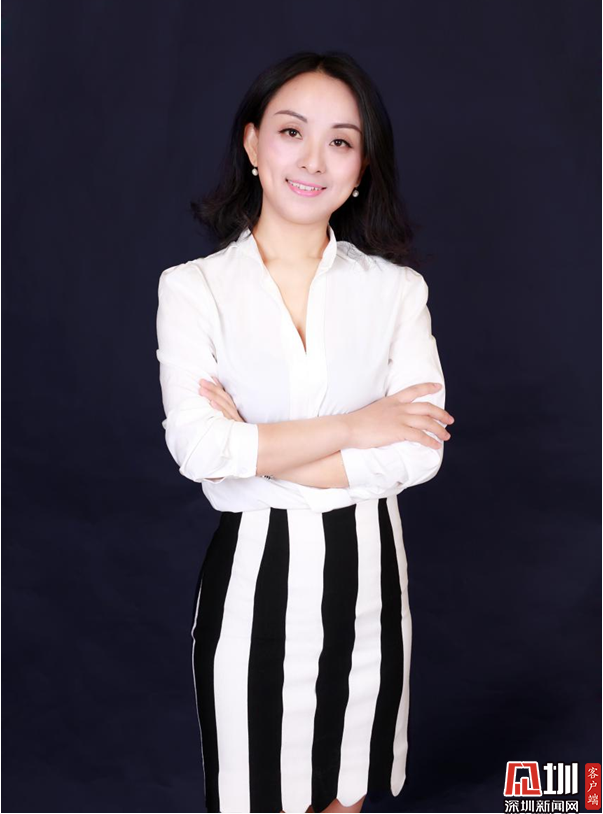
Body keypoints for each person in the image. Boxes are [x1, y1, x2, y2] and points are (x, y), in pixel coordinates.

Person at [156, 50, 454, 814]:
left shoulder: (396, 292)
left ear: (361, 167)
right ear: (252, 143)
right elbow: (201, 451)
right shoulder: (194, 290)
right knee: (255, 796)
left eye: (340, 141)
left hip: (370, 594)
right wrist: (356, 426)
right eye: (291, 132)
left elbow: (416, 455)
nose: (313, 160)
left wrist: (255, 450)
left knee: (346, 798)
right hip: (251, 595)